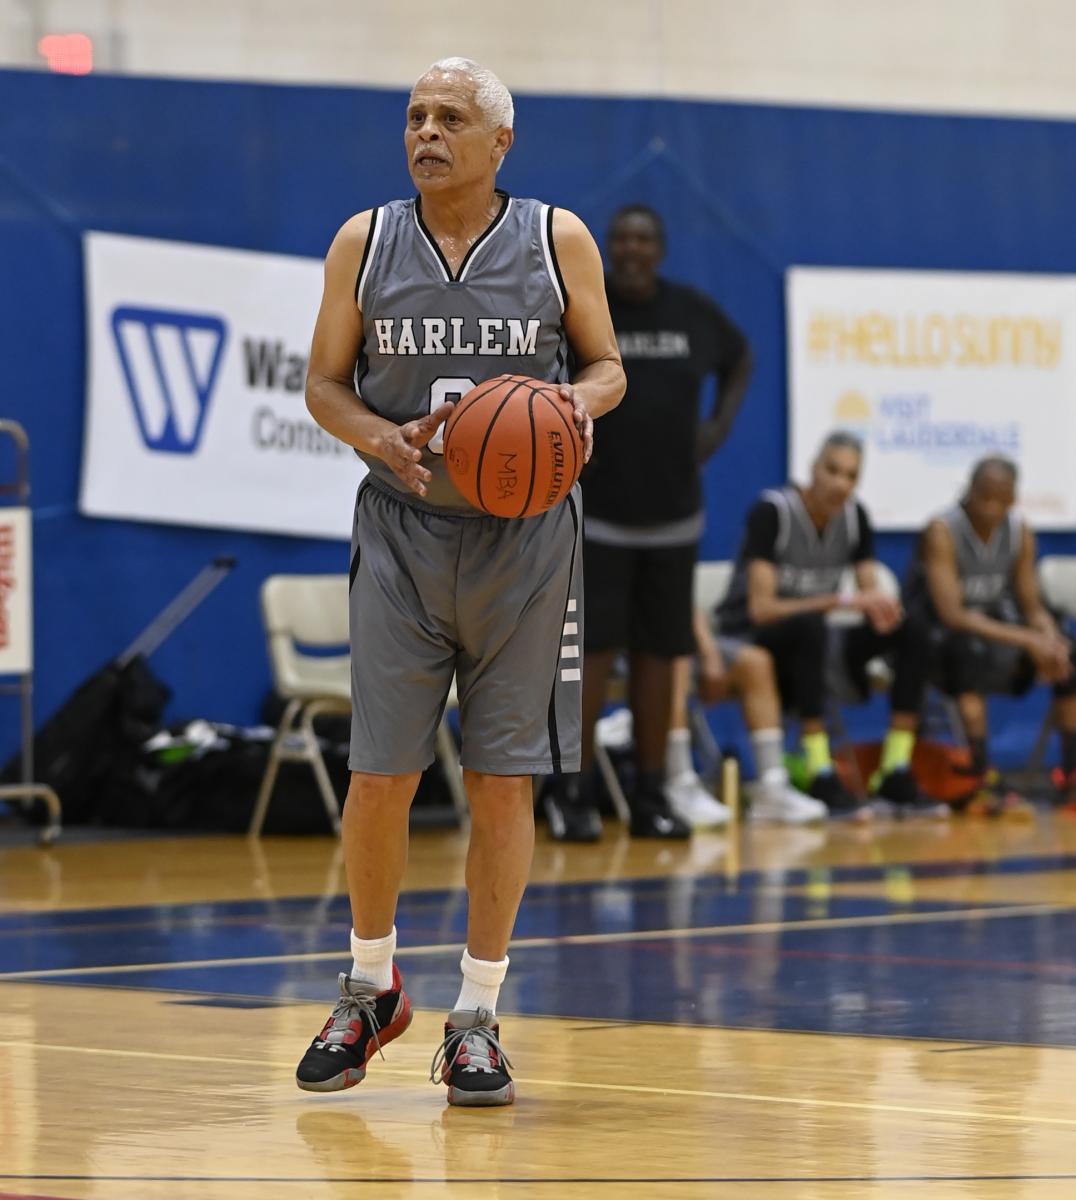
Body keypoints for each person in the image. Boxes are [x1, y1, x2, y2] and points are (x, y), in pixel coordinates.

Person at [294, 58, 624, 1106]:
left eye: (448, 118)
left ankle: (476, 1016)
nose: (425, 134)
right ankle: (370, 987)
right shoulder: (363, 241)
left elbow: (608, 368)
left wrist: (569, 407)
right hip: (402, 531)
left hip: (524, 543)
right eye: (414, 117)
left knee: (502, 780)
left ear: (499, 142)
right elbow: (323, 385)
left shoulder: (557, 239)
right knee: (379, 774)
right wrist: (378, 436)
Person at [544, 204, 751, 842]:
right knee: (592, 656)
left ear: (659, 249)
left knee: (662, 657)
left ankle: (652, 791)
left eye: (643, 239)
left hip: (674, 517)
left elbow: (740, 358)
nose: (632, 249)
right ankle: (572, 791)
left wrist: (717, 427)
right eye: (622, 239)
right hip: (600, 517)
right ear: (608, 249)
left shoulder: (692, 312)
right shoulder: (585, 309)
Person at [715, 431, 943, 818]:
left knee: (913, 628)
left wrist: (883, 610)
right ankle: (820, 769)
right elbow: (761, 609)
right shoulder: (772, 512)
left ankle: (896, 768)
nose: (841, 484)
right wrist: (843, 600)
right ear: (813, 470)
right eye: (833, 471)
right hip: (751, 636)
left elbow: (867, 591)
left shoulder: (855, 517)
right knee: (810, 627)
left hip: (815, 636)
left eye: (851, 476)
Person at [905, 456, 1076, 814]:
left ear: (1013, 498)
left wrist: (1049, 639)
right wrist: (1027, 640)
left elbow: (1031, 606)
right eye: (984, 497)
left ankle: (1072, 772)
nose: (991, 507)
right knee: (967, 650)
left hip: (995, 633)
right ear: (969, 491)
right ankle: (979, 772)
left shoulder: (1020, 532)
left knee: (1073, 652)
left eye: (1001, 500)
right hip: (940, 639)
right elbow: (952, 615)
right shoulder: (942, 530)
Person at [671, 609, 828, 822]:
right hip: (646, 646)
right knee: (673, 661)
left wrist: (709, 653)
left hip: (686, 641)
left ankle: (772, 788)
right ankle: (678, 783)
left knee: (757, 662)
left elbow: (683, 603)